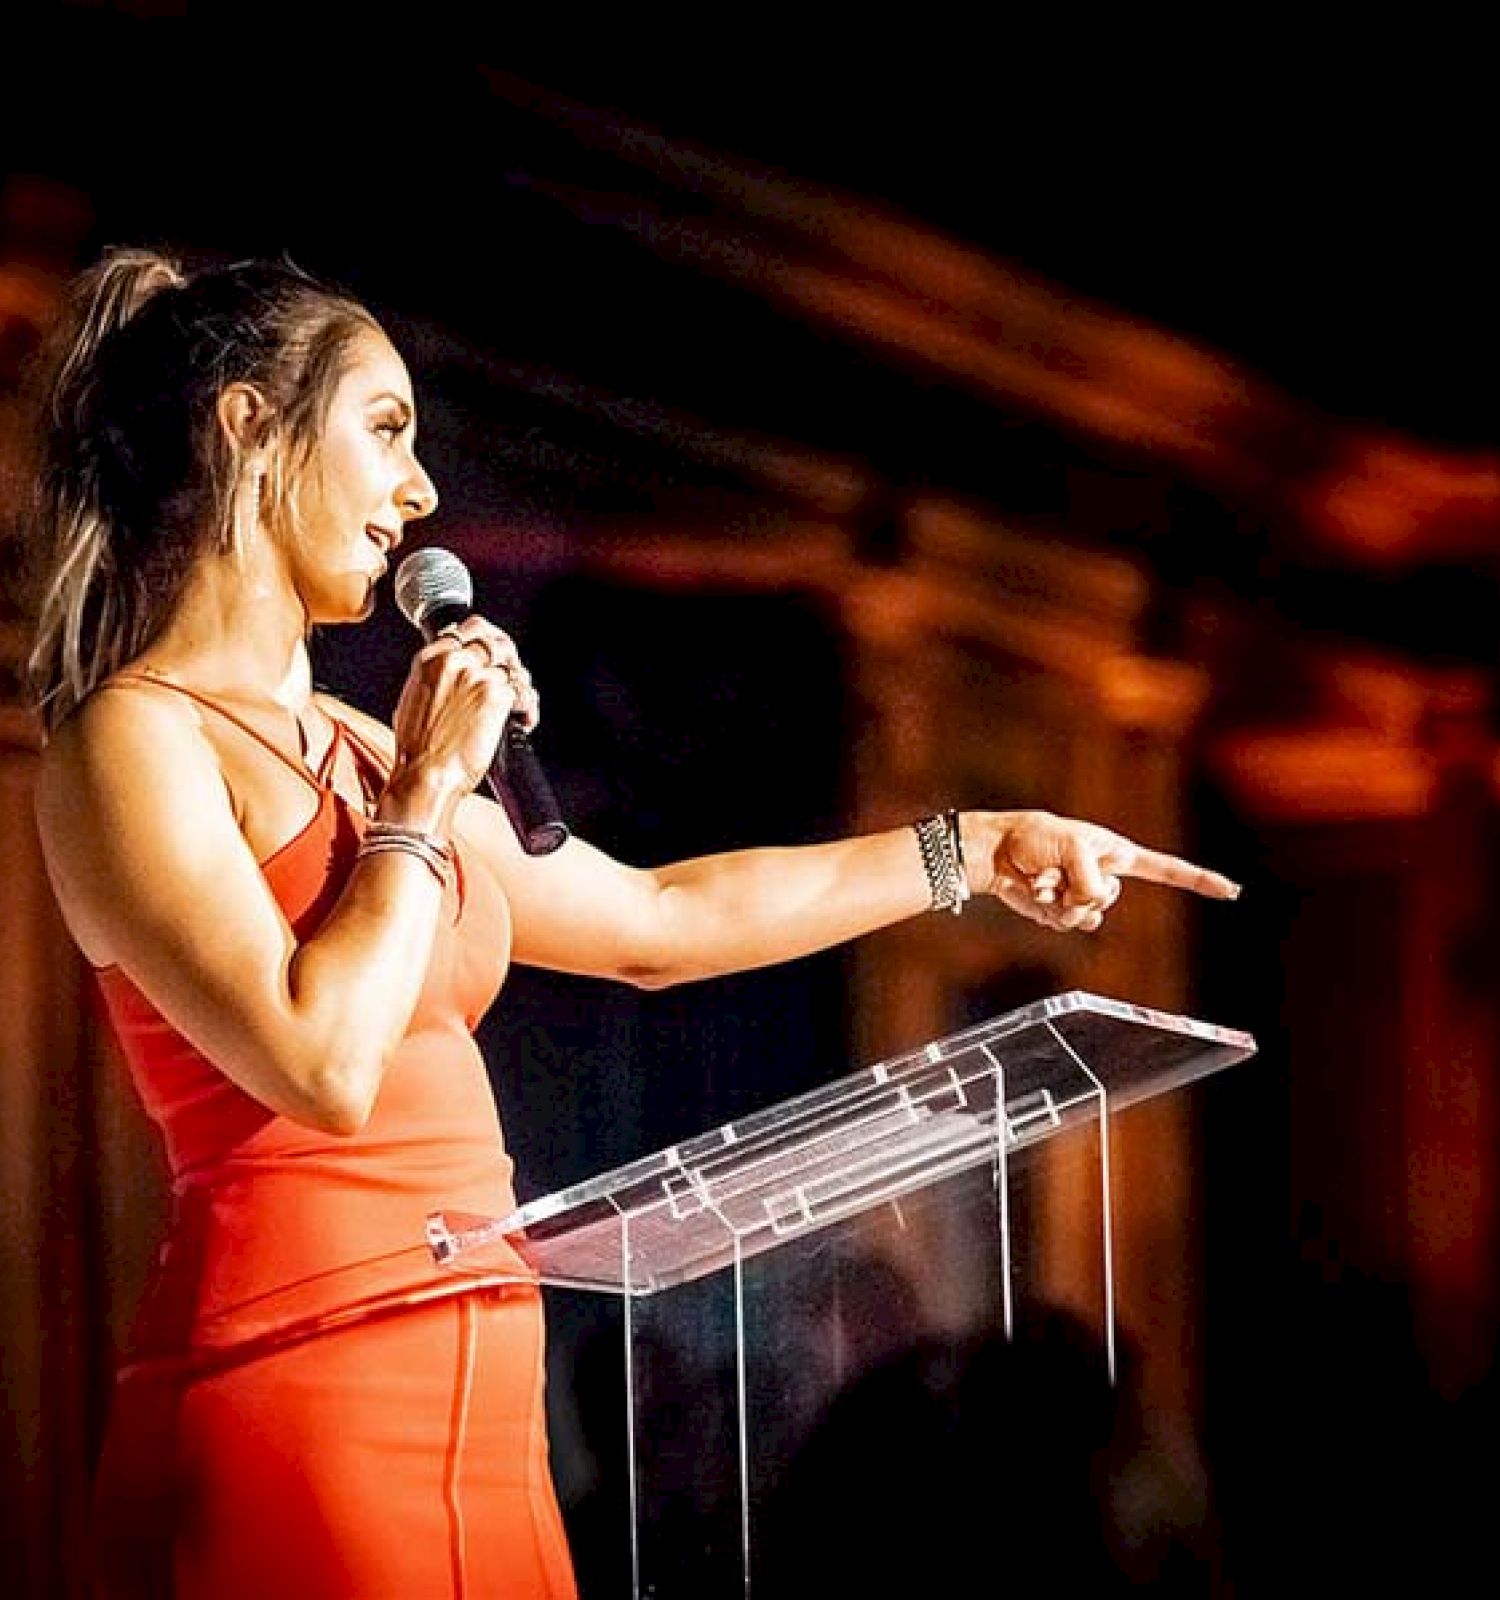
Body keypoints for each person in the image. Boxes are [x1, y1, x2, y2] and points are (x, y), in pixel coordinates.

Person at [23, 246, 1241, 1600]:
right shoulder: (132, 739)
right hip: (299, 1381)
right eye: (384, 431)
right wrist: (428, 789)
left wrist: (973, 850)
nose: (419, 492)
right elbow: (321, 1063)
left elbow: (659, 919)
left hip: (483, 1385)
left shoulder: (365, 750)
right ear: (247, 423)